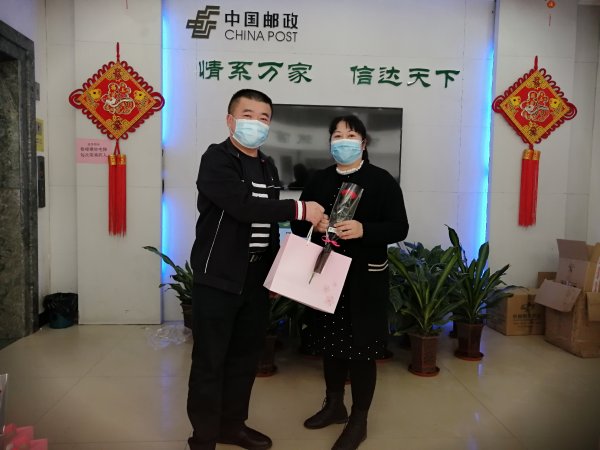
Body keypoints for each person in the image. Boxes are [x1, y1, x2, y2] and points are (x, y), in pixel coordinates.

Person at [187, 89, 325, 450]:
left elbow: (268, 225)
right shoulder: (216, 159)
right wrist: (300, 209)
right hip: (218, 277)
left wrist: (275, 272)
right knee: (209, 362)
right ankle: (203, 438)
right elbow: (243, 207)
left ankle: (232, 426)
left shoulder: (267, 165)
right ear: (230, 120)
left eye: (264, 118)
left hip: (256, 277)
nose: (256, 123)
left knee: (245, 358)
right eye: (248, 115)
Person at [291, 115, 409, 450]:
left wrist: (364, 229)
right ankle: (334, 406)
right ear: (330, 142)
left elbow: (400, 227)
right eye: (338, 135)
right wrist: (312, 224)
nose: (344, 141)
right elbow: (297, 222)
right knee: (330, 344)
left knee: (362, 351)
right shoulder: (319, 180)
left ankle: (359, 420)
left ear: (363, 143)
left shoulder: (381, 180)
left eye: (351, 135)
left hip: (364, 280)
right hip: (327, 275)